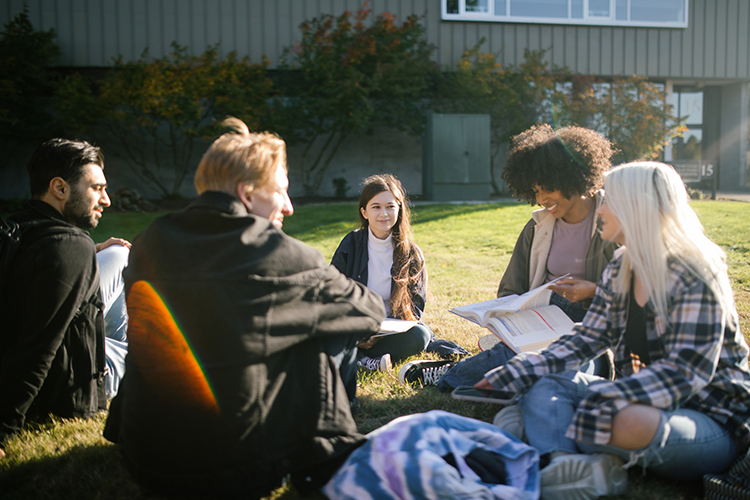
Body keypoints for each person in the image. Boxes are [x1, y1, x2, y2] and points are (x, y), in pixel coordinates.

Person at [103, 118, 385, 499]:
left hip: (146, 457)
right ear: (248, 193)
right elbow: (369, 310)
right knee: (329, 323)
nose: (288, 206)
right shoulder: (275, 251)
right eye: (281, 192)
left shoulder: (150, 239)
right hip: (236, 468)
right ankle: (326, 449)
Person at [483, 161, 750, 500]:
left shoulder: (695, 273)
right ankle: (562, 463)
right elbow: (589, 338)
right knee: (548, 380)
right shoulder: (620, 268)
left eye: (609, 201)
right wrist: (520, 369)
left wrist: (607, 395)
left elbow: (687, 370)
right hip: (634, 399)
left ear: (637, 206)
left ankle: (545, 432)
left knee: (623, 420)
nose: (600, 209)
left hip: (709, 418)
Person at [401, 124, 617, 389]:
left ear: (572, 178)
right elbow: (512, 288)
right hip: (543, 321)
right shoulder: (537, 227)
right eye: (535, 190)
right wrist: (507, 320)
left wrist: (593, 290)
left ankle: (451, 376)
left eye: (546, 188)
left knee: (533, 356)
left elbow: (639, 290)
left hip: (594, 322)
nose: (540, 199)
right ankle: (483, 365)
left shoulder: (614, 220)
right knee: (534, 356)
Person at [0, 138, 130, 460]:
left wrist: (87, 255)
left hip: (66, 352)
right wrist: (3, 429)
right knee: (162, 353)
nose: (107, 200)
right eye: (96, 189)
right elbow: (37, 347)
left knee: (118, 253)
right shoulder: (70, 248)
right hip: (68, 390)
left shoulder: (15, 229)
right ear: (59, 188)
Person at [331, 174, 434, 372]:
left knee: (421, 335)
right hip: (355, 326)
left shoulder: (411, 253)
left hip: (390, 329)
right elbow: (333, 291)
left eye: (390, 206)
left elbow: (415, 306)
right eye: (376, 207)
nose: (383, 214)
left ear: (399, 210)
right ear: (365, 211)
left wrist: (380, 334)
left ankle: (361, 359)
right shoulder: (350, 244)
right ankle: (364, 359)